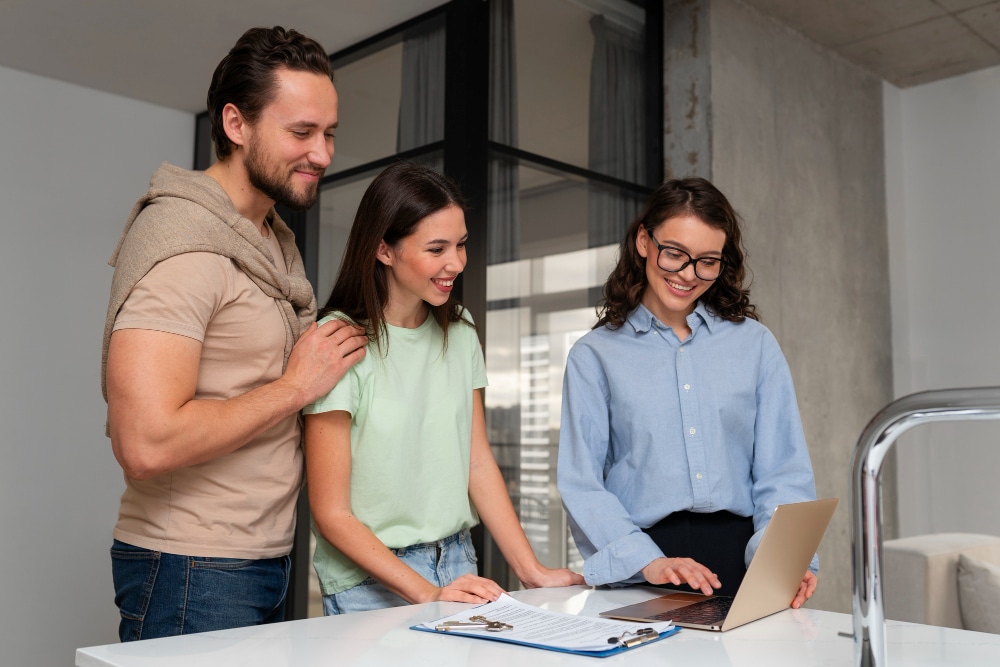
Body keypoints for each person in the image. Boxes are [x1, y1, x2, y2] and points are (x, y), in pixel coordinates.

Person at [101, 27, 368, 641]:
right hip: (189, 565)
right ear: (236, 124)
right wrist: (296, 386)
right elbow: (144, 443)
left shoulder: (272, 243)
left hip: (262, 558)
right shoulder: (182, 245)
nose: (323, 154)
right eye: (301, 133)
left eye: (329, 134)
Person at [304, 162, 584, 614]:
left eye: (460, 245)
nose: (455, 263)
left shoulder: (460, 330)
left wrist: (531, 570)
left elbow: (475, 461)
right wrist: (427, 593)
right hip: (369, 578)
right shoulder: (336, 341)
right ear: (384, 250)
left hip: (457, 561)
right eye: (436, 248)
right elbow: (332, 514)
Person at [557, 177, 819, 608]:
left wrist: (788, 561)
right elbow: (582, 483)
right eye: (675, 254)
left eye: (707, 261)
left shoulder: (754, 345)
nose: (687, 275)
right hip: (644, 566)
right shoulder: (594, 355)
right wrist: (647, 561)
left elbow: (783, 471)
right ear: (644, 240)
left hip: (744, 562)